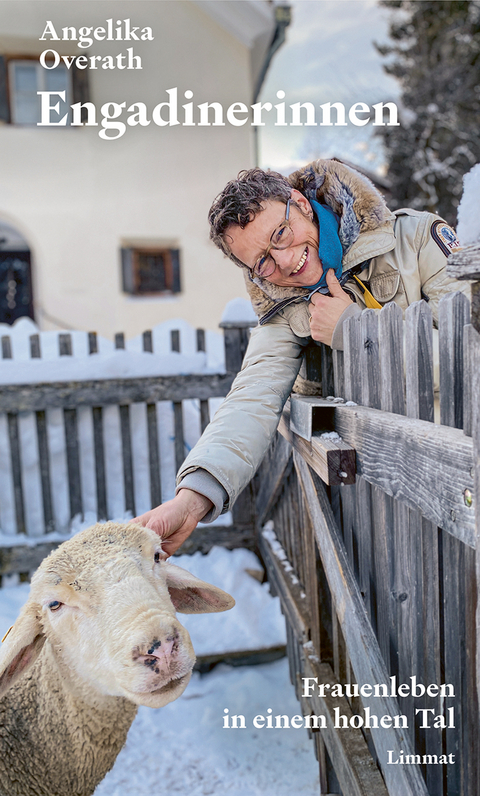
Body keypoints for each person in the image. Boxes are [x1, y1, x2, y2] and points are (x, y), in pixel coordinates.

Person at [133, 158, 467, 555]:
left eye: (280, 234)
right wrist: (192, 499)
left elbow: (467, 358)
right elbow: (251, 398)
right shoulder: (284, 314)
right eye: (263, 262)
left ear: (300, 203)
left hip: (463, 470)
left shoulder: (415, 239)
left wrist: (355, 330)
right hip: (378, 509)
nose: (286, 261)